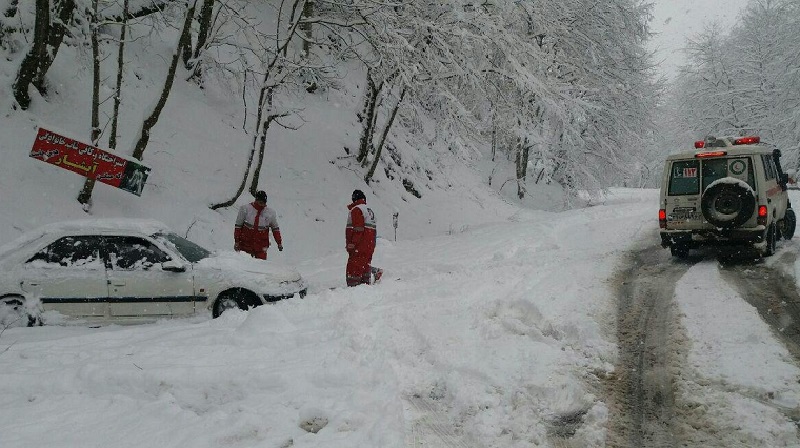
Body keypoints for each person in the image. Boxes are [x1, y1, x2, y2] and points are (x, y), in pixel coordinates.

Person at [345, 189, 382, 286]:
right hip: (370, 245)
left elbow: (358, 229)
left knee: (354, 266)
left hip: (359, 245)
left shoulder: (357, 210)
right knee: (365, 265)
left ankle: (353, 287)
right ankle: (365, 286)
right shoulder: (370, 211)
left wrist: (352, 244)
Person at [234, 190, 283, 260]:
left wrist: (279, 242)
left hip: (261, 246)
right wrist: (237, 241)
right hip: (245, 244)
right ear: (256, 200)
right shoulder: (245, 209)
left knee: (261, 266)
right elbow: (238, 226)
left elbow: (275, 229)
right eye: (260, 203)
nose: (262, 205)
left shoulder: (270, 213)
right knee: (244, 265)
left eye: (264, 203)